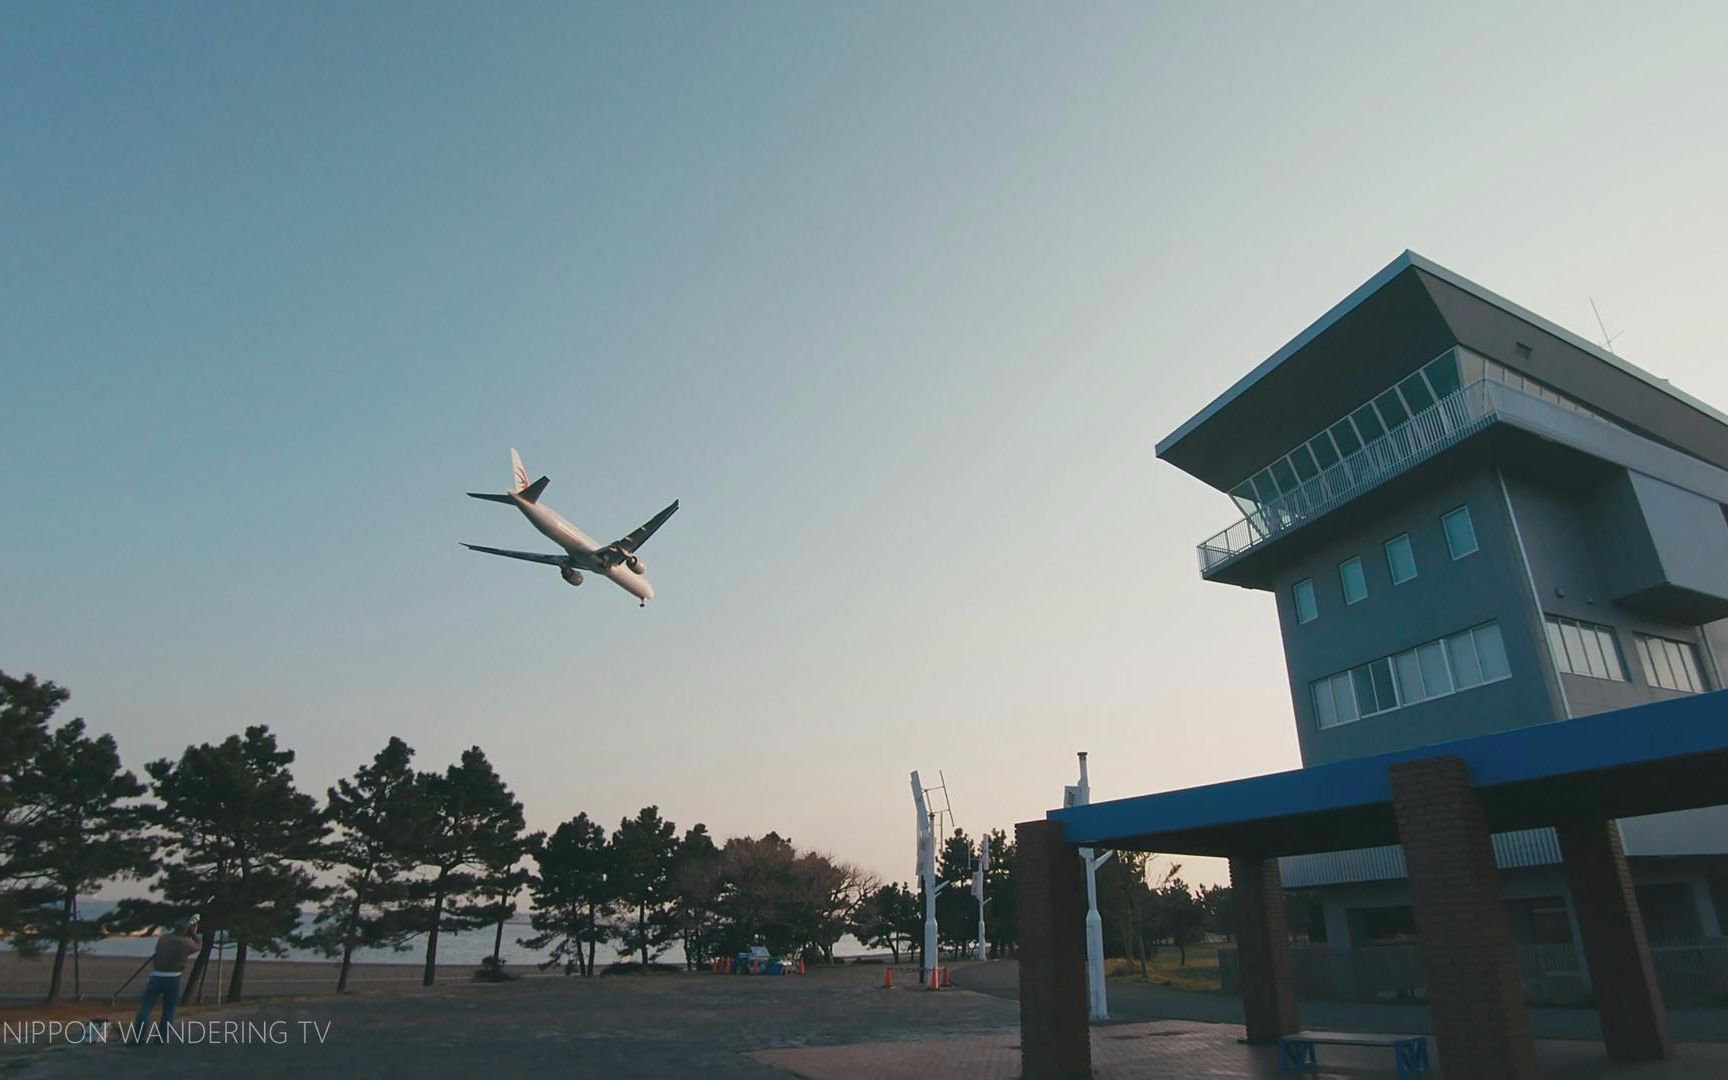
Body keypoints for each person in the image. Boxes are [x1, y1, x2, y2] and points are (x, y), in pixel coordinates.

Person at [132, 917, 200, 1043]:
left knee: (145, 1008)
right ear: (187, 930)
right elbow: (197, 946)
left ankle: (137, 1036)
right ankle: (160, 1038)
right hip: (173, 977)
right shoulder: (185, 943)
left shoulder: (163, 939)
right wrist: (193, 933)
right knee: (168, 1010)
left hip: (156, 976)